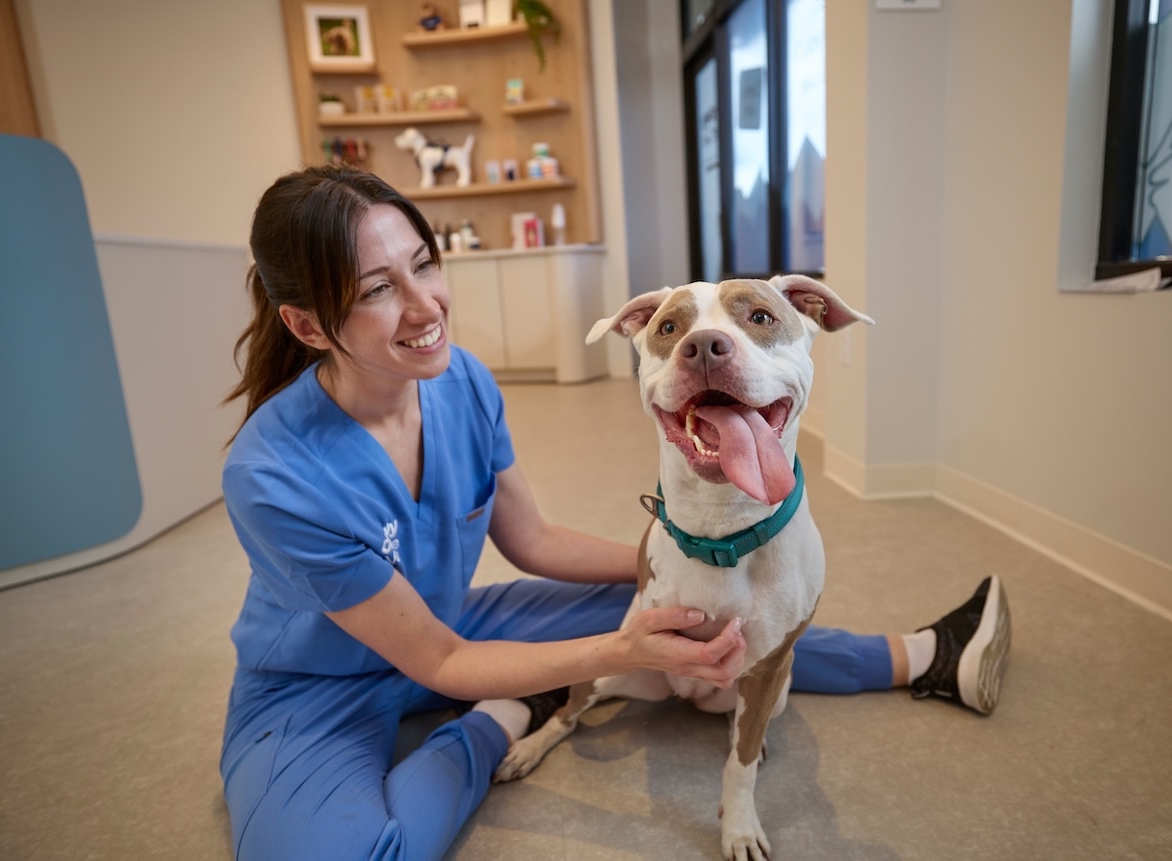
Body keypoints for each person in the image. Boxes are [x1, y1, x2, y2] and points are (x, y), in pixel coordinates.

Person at [219, 164, 1011, 861]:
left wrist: (683, 551)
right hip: (320, 686)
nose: (426, 305)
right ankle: (498, 718)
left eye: (423, 264)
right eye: (379, 289)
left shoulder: (459, 380)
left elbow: (531, 540)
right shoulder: (273, 471)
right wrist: (614, 648)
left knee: (715, 604)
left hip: (458, 619)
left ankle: (923, 655)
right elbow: (439, 661)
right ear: (307, 323)